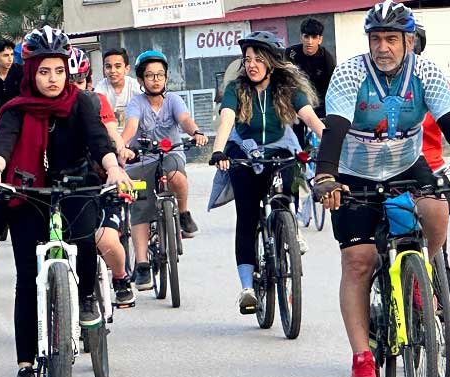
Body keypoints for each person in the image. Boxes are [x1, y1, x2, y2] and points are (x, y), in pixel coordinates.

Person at [312, 1, 450, 377]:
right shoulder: (350, 73)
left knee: (437, 209)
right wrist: (326, 176)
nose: (383, 47)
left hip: (407, 166)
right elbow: (335, 126)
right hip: (353, 172)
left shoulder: (426, 73)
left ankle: (422, 280)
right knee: (357, 262)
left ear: (409, 40)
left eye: (391, 39)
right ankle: (361, 358)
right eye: (376, 39)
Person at [0, 26, 132, 377]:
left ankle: (85, 299)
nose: (52, 79)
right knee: (27, 278)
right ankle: (26, 366)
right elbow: (2, 143)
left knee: (84, 240)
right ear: (31, 72)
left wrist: (113, 168)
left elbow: (99, 141)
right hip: (28, 192)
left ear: (68, 72)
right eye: (44, 71)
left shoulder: (81, 104)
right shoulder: (16, 108)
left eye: (59, 71)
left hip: (76, 185)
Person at [208, 31, 324, 312]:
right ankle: (248, 288)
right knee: (246, 217)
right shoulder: (237, 89)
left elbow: (310, 117)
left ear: (272, 62)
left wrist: (331, 145)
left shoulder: (287, 88)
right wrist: (218, 150)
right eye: (247, 59)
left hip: (278, 147)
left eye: (258, 59)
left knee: (291, 172)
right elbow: (227, 119)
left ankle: (289, 224)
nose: (252, 65)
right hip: (243, 150)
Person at [121, 50, 208, 291]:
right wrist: (122, 144)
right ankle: (141, 266)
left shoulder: (173, 100)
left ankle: (183, 214)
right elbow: (131, 125)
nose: (156, 79)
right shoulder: (136, 103)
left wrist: (196, 133)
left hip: (171, 154)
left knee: (177, 177)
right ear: (140, 80)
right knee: (139, 207)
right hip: (140, 160)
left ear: (166, 78)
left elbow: (185, 119)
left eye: (160, 75)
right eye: (150, 75)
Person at [412, 22, 450, 354]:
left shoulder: (435, 82)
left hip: (431, 170)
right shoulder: (375, 86)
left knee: (438, 250)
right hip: (385, 172)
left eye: (412, 43)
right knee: (377, 246)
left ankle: (443, 323)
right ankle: (380, 320)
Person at [69, 46, 136, 306]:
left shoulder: (97, 101)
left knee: (106, 240)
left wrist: (119, 152)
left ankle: (120, 277)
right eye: (69, 78)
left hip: (100, 182)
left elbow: (109, 131)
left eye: (78, 80)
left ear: (87, 80)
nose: (74, 86)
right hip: (64, 188)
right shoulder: (46, 107)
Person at [285, 18, 336, 119]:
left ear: (320, 39)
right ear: (301, 37)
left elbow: (331, 89)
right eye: (306, 37)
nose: (310, 41)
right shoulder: (291, 53)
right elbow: (283, 81)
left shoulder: (326, 59)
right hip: (295, 106)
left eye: (314, 37)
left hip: (319, 107)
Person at [94, 48, 142, 127]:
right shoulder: (100, 89)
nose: (112, 70)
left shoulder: (136, 87)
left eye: (118, 66)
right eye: (108, 67)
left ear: (127, 69)